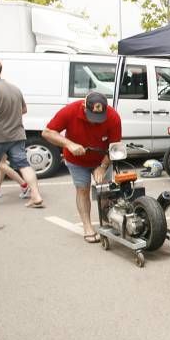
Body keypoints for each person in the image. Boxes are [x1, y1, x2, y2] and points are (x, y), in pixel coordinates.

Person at [42, 92, 122, 242]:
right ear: (84, 107)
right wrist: (69, 144)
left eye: (99, 118)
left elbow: (115, 147)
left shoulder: (113, 117)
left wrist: (103, 166)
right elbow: (47, 133)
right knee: (83, 189)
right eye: (92, 117)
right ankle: (87, 226)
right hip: (76, 160)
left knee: (105, 189)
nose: (95, 122)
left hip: (101, 158)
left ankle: (109, 221)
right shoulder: (70, 110)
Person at [0, 58, 44, 209]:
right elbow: (24, 110)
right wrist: (9, 116)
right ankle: (36, 195)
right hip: (16, 135)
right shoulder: (14, 88)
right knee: (24, 165)